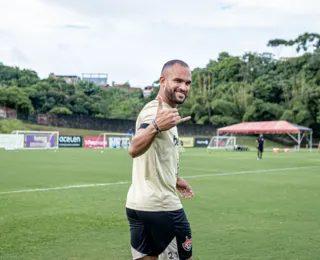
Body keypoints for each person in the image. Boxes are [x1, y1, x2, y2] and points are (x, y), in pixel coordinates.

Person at [126, 60, 194, 260]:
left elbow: (156, 154)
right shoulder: (155, 111)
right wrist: (155, 125)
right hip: (162, 208)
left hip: (137, 206)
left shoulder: (166, 113)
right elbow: (134, 148)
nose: (184, 87)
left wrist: (173, 178)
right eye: (178, 80)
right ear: (163, 81)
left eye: (188, 83)